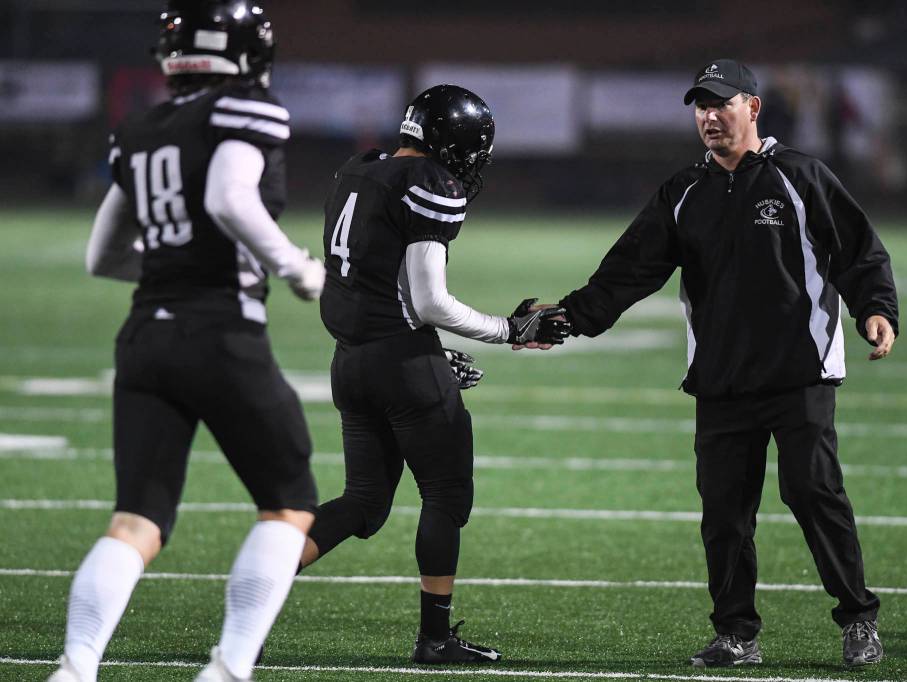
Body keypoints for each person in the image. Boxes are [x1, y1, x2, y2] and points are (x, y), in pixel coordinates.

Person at [536, 59, 898, 668]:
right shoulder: (683, 193)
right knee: (725, 515)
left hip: (799, 372)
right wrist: (569, 318)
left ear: (752, 108)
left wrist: (876, 308)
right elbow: (628, 272)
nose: (709, 116)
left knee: (813, 493)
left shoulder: (801, 176)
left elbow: (858, 250)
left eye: (721, 104)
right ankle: (737, 634)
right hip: (722, 380)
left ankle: (858, 620)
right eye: (701, 106)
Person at [48, 3, 325, 681]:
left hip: (144, 335)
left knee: (135, 523)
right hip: (220, 331)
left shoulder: (140, 128)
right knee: (289, 505)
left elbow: (103, 257)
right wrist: (295, 267)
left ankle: (75, 667)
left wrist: (178, 263)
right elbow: (231, 199)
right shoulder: (245, 108)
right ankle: (228, 669)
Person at [299, 84, 570, 665]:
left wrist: (422, 349)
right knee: (447, 496)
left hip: (351, 359)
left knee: (365, 502)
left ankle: (253, 592)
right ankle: (434, 639)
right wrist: (508, 330)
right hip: (400, 363)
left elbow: (372, 284)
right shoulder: (430, 183)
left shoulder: (358, 169)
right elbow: (429, 301)